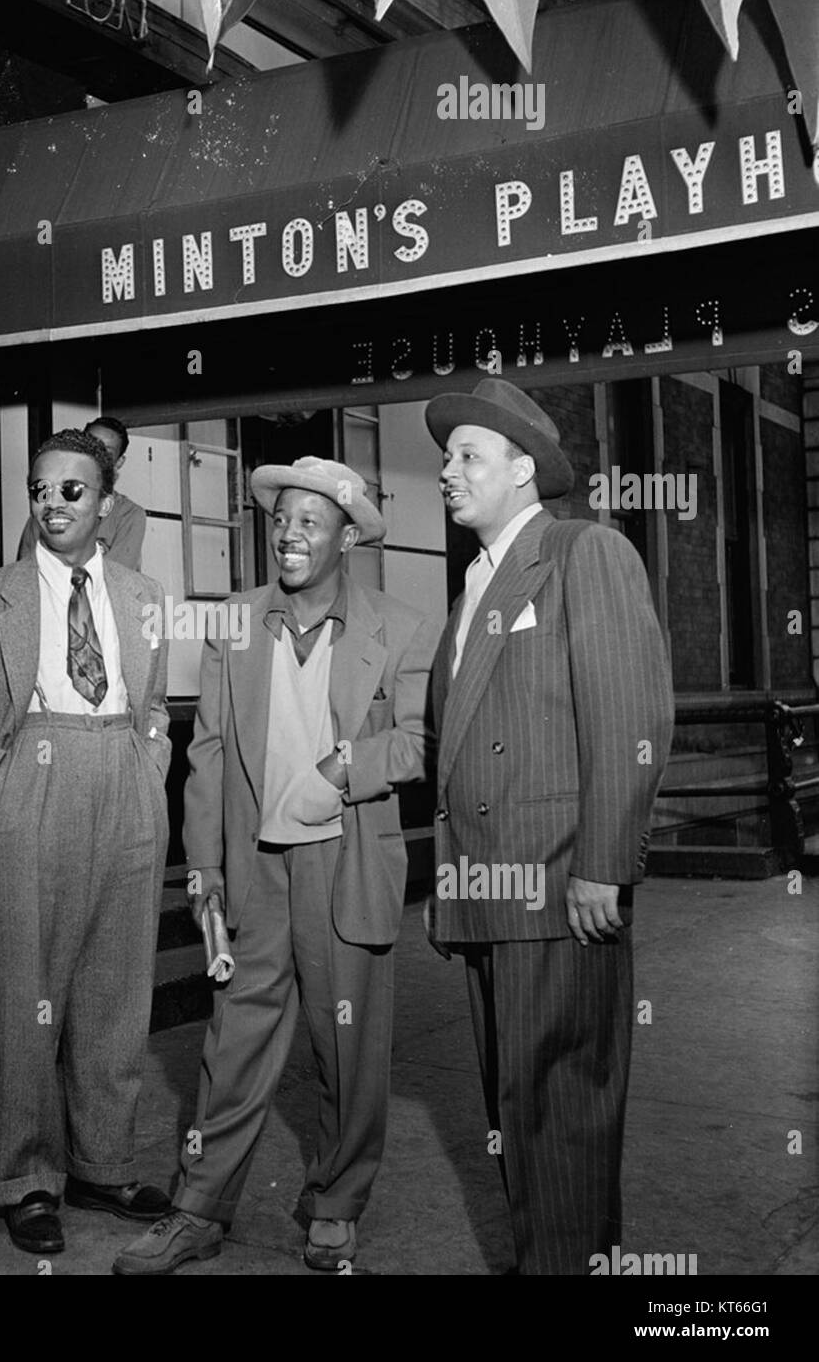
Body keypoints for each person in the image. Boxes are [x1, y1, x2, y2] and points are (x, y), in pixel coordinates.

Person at [114, 457, 439, 1275]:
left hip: (347, 864)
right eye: (282, 519)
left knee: (348, 1052)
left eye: (310, 522)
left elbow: (419, 742)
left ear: (348, 537)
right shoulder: (235, 622)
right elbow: (211, 753)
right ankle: (198, 1209)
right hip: (254, 869)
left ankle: (335, 1206)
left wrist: (341, 769)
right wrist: (204, 869)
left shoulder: (400, 627)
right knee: (232, 1045)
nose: (289, 535)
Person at [422, 377, 673, 1275]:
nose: (447, 473)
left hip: (564, 888)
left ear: (522, 471)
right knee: (517, 1119)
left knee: (559, 1119)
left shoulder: (582, 553)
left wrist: (605, 863)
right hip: (493, 895)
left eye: (467, 457)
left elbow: (630, 716)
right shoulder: (474, 586)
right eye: (446, 458)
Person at [0, 429, 172, 1256]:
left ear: (105, 505)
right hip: (34, 774)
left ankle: (104, 1162)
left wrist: (152, 763)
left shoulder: (143, 594)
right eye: (40, 489)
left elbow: (157, 705)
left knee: (119, 992)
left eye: (73, 490)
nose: (53, 503)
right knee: (30, 998)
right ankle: (27, 1180)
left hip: (126, 782)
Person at [16, 416, 146, 570]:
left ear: (118, 462)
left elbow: (116, 579)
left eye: (106, 452)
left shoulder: (128, 514)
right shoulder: (48, 508)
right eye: (87, 447)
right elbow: (26, 574)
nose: (95, 457)